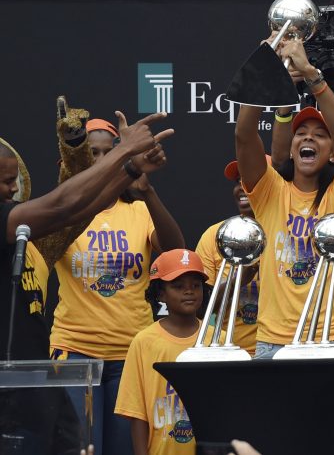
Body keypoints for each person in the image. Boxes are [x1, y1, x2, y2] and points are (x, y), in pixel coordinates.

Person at [0, 109, 171, 455]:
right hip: (19, 387)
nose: (15, 187)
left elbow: (77, 212)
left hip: (38, 385)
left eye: (14, 178)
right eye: (5, 181)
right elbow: (65, 204)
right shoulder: (12, 225)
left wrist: (133, 170)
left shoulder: (30, 241)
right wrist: (124, 153)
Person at [234, 36, 334, 455]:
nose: (308, 138)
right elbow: (243, 134)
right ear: (291, 145)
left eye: (319, 135)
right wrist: (267, 70)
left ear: (329, 153)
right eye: (300, 132)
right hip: (274, 344)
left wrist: (313, 77)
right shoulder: (270, 191)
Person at [50, 114, 185, 455]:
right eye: (92, 154)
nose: (102, 161)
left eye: (110, 152)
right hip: (75, 352)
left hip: (130, 352)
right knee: (78, 449)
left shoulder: (138, 211)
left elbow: (175, 253)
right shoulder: (62, 213)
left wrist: (147, 191)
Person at [115, 249, 211, 455]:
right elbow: (136, 413)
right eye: (178, 286)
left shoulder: (217, 339)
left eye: (196, 285)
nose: (189, 291)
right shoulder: (144, 342)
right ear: (160, 293)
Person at [195, 157, 273, 355]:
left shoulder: (286, 235)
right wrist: (237, 280)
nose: (242, 187)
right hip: (228, 352)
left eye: (251, 180)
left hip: (279, 350)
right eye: (238, 181)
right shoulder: (214, 236)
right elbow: (200, 307)